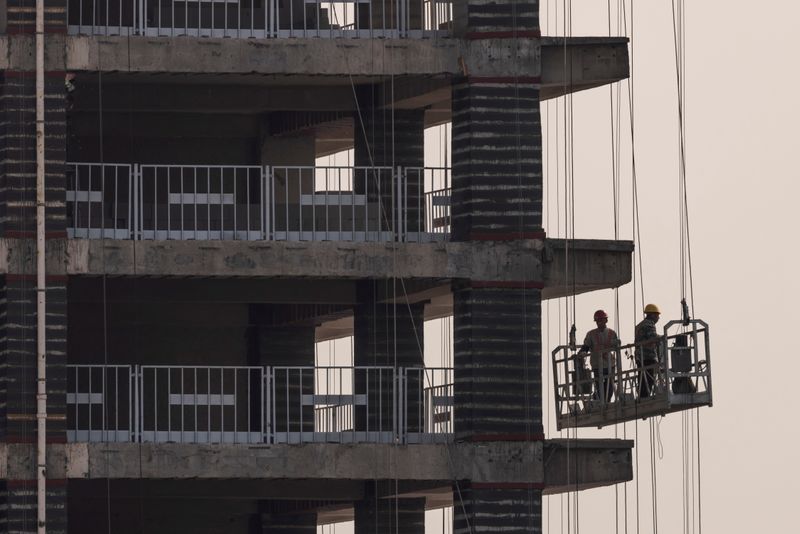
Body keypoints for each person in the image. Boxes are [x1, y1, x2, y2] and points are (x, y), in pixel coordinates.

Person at [577, 310, 619, 402]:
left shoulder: (612, 333)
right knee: (599, 387)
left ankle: (605, 402)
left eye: (601, 320)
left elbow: (617, 346)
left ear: (606, 320)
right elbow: (586, 347)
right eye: (597, 321)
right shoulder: (591, 334)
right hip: (597, 365)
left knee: (610, 387)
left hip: (609, 364)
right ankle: (599, 400)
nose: (599, 322)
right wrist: (581, 353)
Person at [635, 303, 662, 398]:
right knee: (649, 378)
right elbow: (652, 337)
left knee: (642, 377)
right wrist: (662, 337)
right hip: (648, 356)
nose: (658, 318)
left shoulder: (639, 325)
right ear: (653, 315)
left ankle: (642, 395)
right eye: (658, 315)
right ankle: (645, 396)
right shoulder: (649, 324)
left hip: (640, 356)